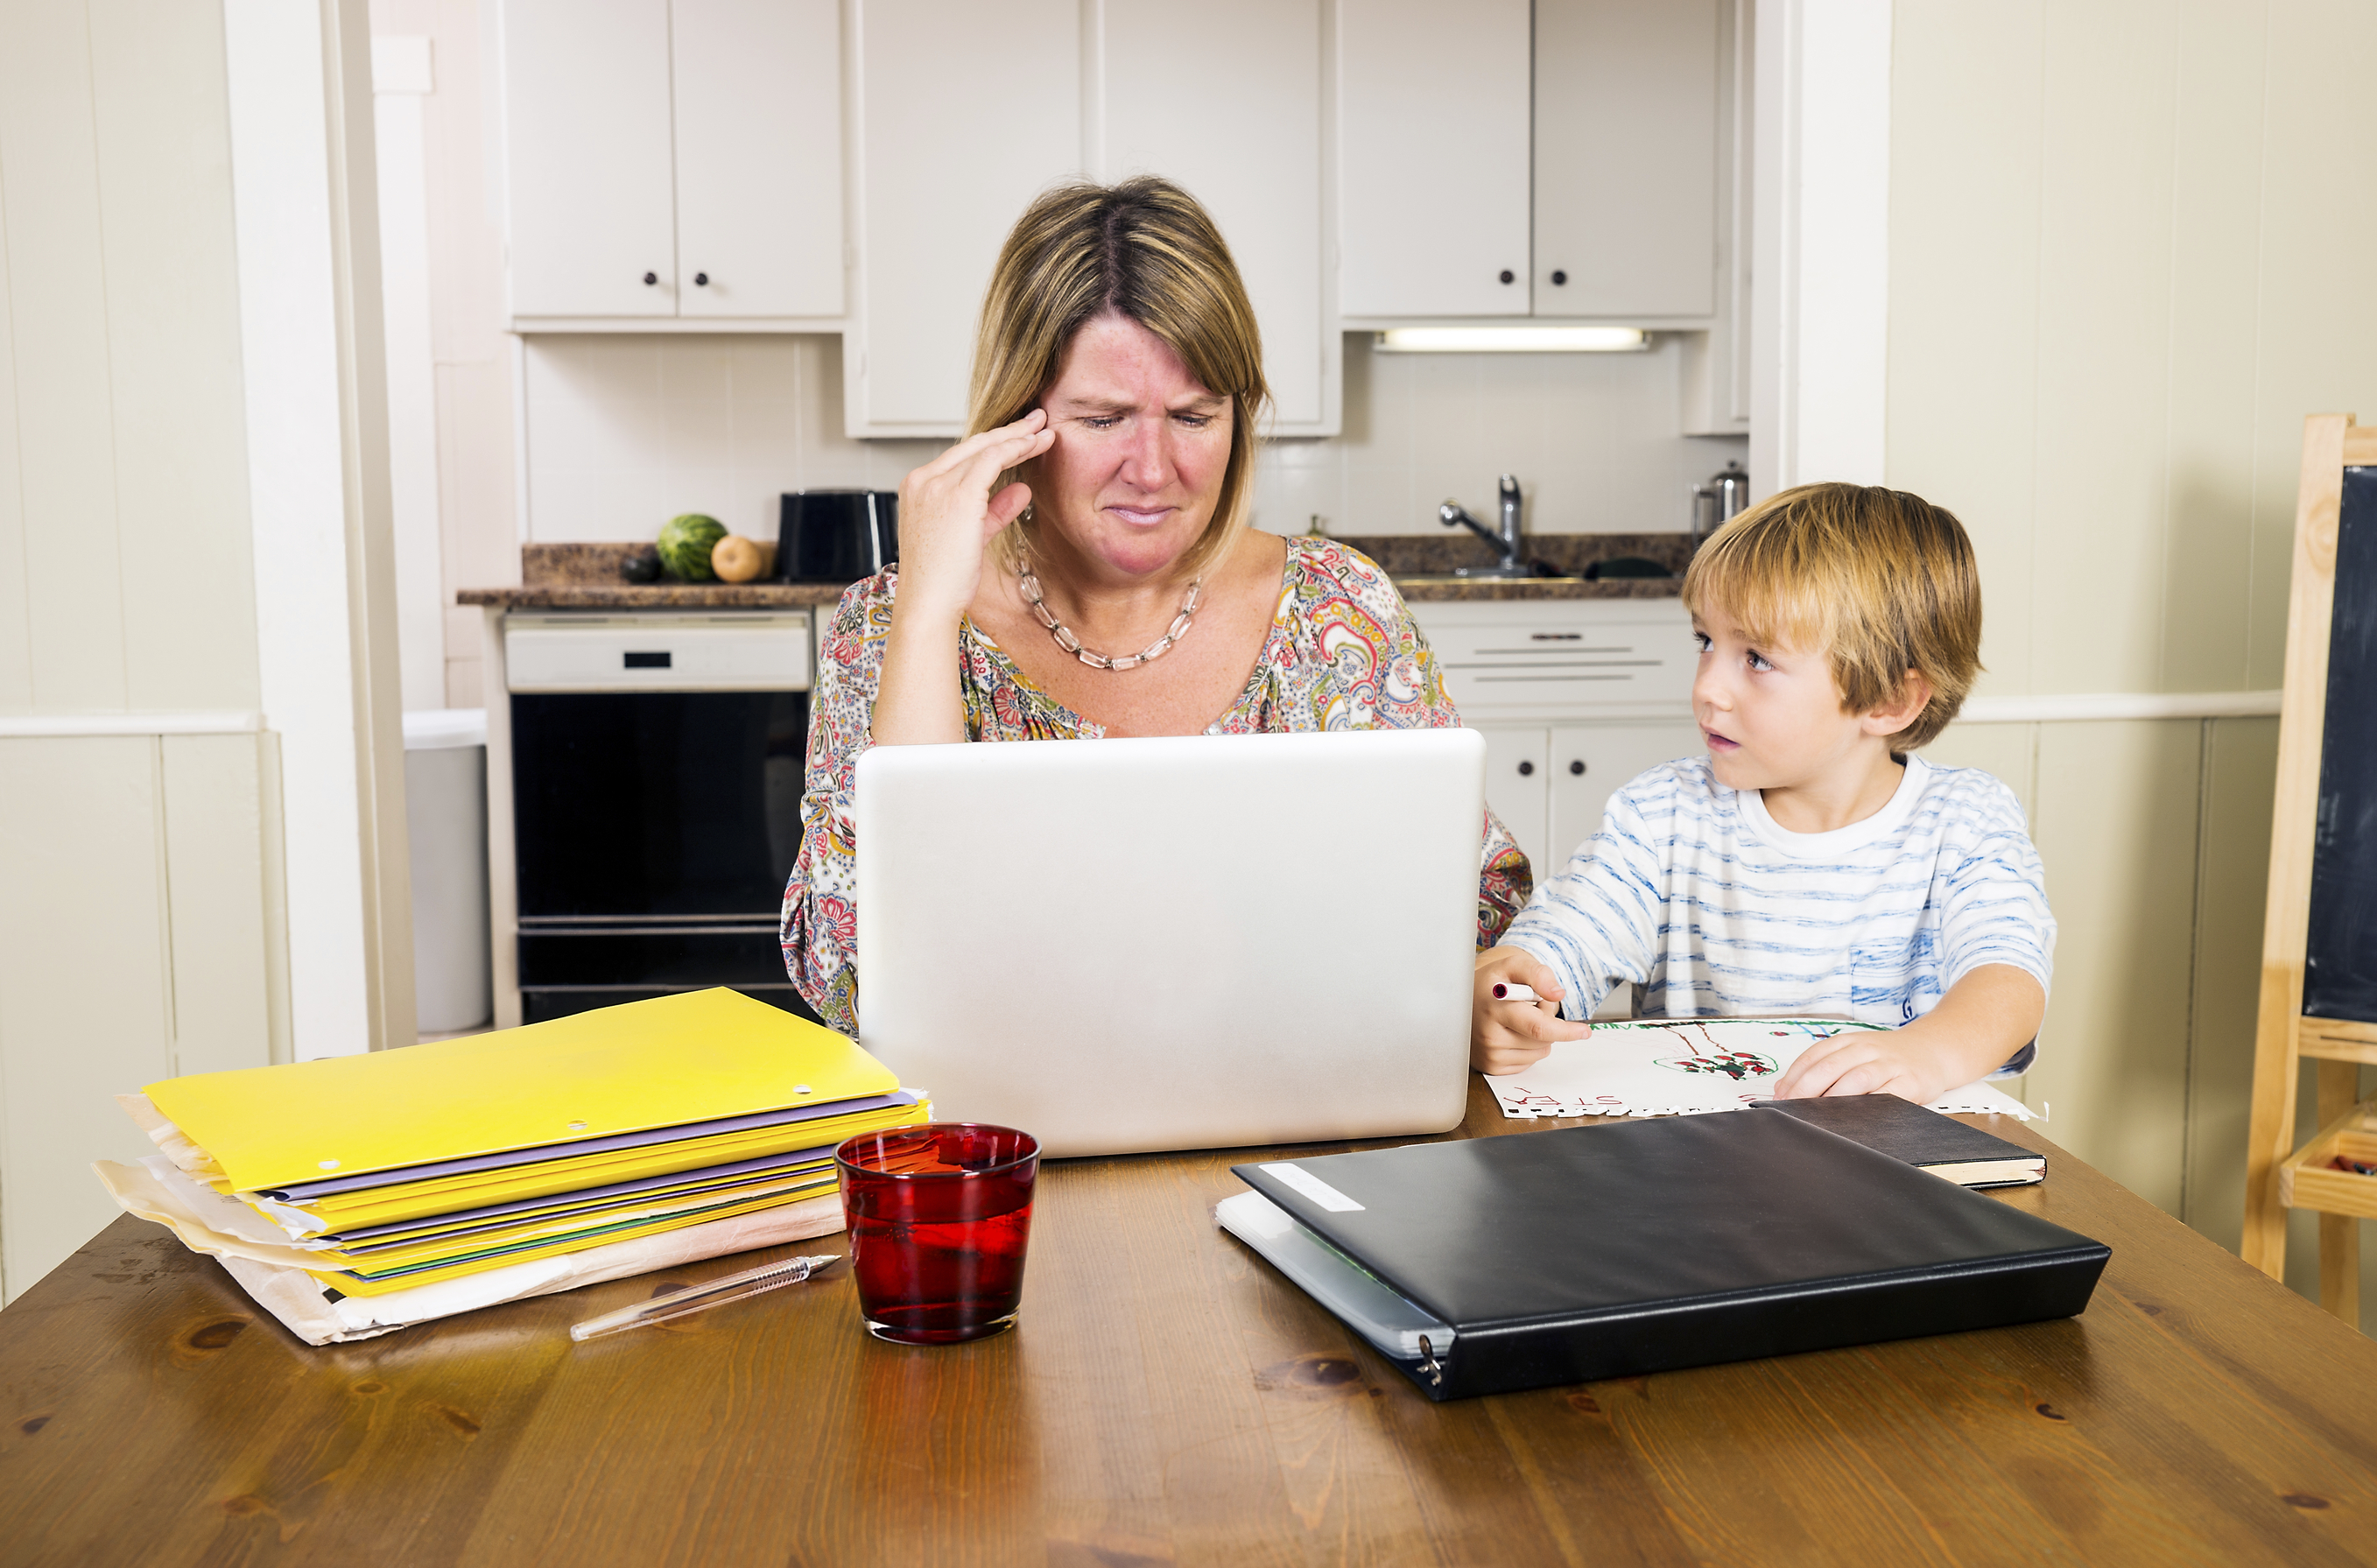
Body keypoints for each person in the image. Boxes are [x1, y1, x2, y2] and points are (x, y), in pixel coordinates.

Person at [782, 176, 1530, 1035]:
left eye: (1193, 414)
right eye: (1103, 419)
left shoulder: (1340, 612)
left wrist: (1477, 986)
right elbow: (857, 978)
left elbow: (1464, 899)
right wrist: (924, 619)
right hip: (1014, 1150)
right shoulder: (889, 626)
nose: (1153, 467)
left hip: (1303, 1121)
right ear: (1015, 421)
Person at [1472, 483, 2054, 1103]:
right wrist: (1511, 997)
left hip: (1902, 1167)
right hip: (1701, 1162)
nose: (1707, 689)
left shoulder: (1964, 820)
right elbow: (1565, 941)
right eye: (1705, 642)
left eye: (1755, 659)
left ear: (1888, 700)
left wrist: (1927, 1053)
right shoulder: (1662, 815)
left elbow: (2007, 978)